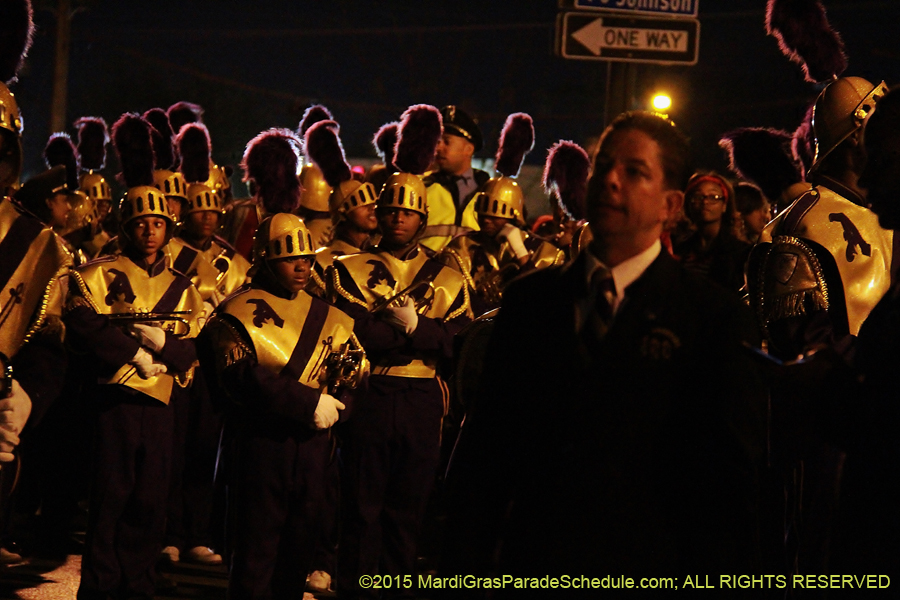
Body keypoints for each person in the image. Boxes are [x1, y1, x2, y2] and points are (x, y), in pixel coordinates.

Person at [443, 111, 766, 587]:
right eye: (604, 166)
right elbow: (486, 453)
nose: (611, 181)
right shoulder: (531, 302)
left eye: (635, 172)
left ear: (671, 206)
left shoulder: (712, 318)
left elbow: (731, 485)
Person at [747, 76, 893, 575]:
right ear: (858, 133)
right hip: (829, 456)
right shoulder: (800, 226)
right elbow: (801, 354)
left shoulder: (888, 213)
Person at [329, 104, 472, 599]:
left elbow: (459, 341)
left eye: (408, 211)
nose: (398, 218)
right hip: (372, 391)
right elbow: (353, 333)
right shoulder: (347, 267)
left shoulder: (449, 271)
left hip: (421, 399)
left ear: (421, 216)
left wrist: (413, 328)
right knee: (362, 506)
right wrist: (421, 331)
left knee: (408, 508)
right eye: (390, 210)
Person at [65, 113, 204, 600]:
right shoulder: (100, 272)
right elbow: (83, 321)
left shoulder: (184, 286)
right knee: (112, 496)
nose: (150, 232)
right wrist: (133, 354)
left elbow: (194, 344)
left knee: (151, 499)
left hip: (162, 403)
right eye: (141, 223)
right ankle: (101, 588)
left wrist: (165, 348)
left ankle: (139, 584)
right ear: (128, 226)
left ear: (169, 229)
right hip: (116, 401)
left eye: (158, 224)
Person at [200, 213, 363, 600]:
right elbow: (239, 378)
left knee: (297, 554)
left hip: (313, 448)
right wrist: (309, 402)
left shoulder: (331, 314)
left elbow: (355, 373)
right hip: (261, 443)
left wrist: (341, 405)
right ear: (266, 261)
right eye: (290, 259)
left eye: (306, 258)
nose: (303, 266)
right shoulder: (235, 311)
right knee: (254, 557)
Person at [441, 113, 564, 314]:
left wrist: (522, 255)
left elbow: (545, 303)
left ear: (514, 215)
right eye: (483, 214)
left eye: (495, 215)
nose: (487, 220)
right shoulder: (461, 247)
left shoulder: (544, 252)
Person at [421, 105, 489, 251]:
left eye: (446, 141)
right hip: (426, 273)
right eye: (437, 141)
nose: (438, 148)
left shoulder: (490, 192)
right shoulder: (422, 188)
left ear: (468, 149)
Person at [674, 171, 750, 293]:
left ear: (724, 205)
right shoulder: (680, 247)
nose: (705, 202)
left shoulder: (739, 252)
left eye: (713, 197)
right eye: (698, 197)